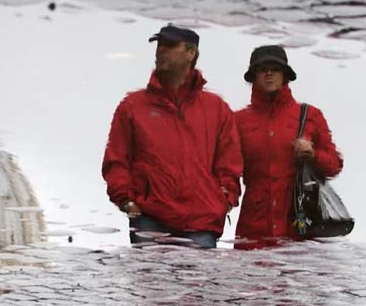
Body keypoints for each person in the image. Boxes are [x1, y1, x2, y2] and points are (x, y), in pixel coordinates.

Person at [102, 24, 242, 248]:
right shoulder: (132, 106)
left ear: (191, 53)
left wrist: (223, 199)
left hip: (201, 222)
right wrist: (127, 201)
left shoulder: (217, 108)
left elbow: (230, 162)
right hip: (150, 219)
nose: (161, 51)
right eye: (159, 45)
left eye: (169, 45)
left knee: (196, 284)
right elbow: (115, 159)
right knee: (153, 284)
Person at [234, 45, 343, 248]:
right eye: (262, 69)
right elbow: (226, 169)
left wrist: (313, 155)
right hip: (253, 230)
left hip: (300, 228)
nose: (269, 74)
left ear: (285, 75)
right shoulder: (238, 121)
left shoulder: (311, 115)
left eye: (275, 68)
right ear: (253, 76)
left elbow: (334, 165)